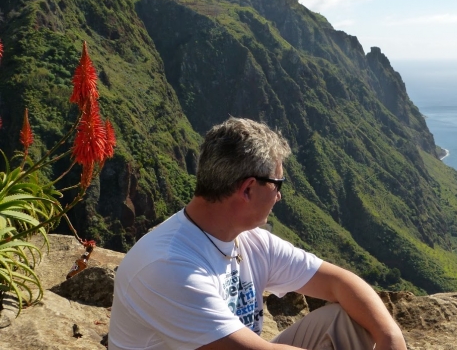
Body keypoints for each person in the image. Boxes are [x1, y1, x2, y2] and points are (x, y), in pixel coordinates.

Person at [108, 117, 407, 350]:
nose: (279, 197)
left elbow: (339, 282)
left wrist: (391, 336)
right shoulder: (168, 266)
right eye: (278, 184)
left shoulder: (249, 240)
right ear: (248, 189)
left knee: (348, 321)